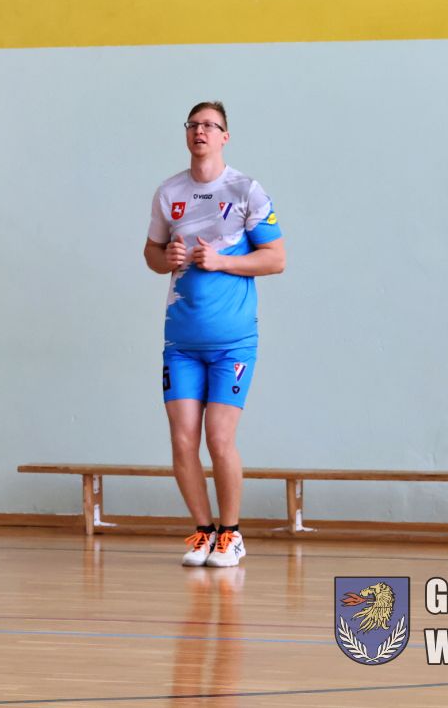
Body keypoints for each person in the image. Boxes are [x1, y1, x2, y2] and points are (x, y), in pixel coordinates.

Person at [143, 101, 285, 568]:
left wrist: (221, 261)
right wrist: (168, 258)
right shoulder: (169, 192)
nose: (200, 131)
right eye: (194, 124)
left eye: (210, 125)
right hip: (181, 344)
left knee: (219, 439)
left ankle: (232, 533)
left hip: (232, 344)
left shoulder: (246, 190)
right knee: (183, 441)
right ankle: (204, 531)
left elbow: (276, 259)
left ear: (225, 136)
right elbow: (152, 253)